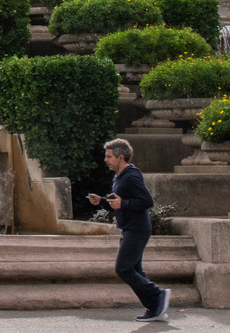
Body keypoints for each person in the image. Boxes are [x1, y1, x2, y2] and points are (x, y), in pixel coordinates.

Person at [88, 138, 170, 322]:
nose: (106, 160)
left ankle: (158, 295)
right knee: (135, 269)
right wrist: (101, 201)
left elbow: (148, 202)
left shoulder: (131, 176)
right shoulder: (119, 176)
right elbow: (119, 204)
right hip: (129, 228)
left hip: (137, 229)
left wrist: (123, 203)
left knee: (123, 268)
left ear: (121, 157)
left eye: (109, 156)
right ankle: (155, 307)